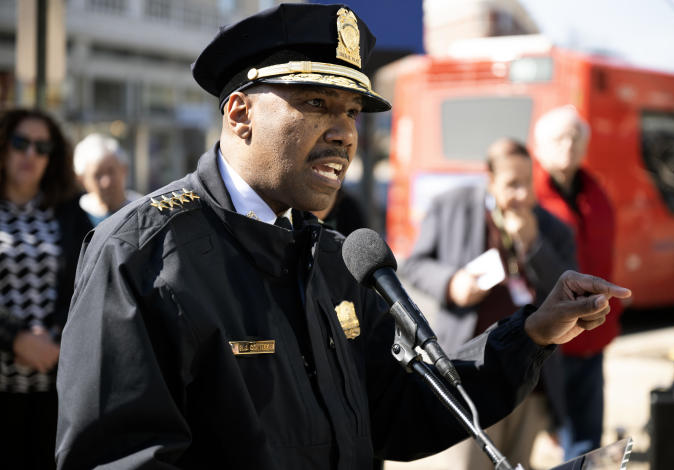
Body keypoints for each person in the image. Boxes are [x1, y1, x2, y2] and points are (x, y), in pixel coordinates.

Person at [55, 4, 630, 469]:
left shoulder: (338, 258)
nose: (344, 132)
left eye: (353, 111)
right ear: (239, 114)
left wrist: (530, 334)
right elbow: (121, 459)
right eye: (316, 104)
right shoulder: (140, 256)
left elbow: (397, 412)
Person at [400, 138, 576, 469]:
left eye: (528, 183)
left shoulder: (552, 229)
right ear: (489, 178)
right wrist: (452, 283)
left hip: (531, 380)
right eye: (512, 184)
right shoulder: (450, 206)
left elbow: (567, 290)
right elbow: (414, 265)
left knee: (518, 463)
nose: (522, 194)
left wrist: (534, 245)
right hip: (469, 372)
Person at [0, 108, 92, 469]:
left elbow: (86, 281)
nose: (30, 155)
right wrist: (15, 337)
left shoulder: (69, 213)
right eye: (21, 143)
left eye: (42, 147)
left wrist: (54, 334)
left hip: (52, 387)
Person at [532, 105, 623, 460]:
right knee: (545, 428)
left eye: (575, 138)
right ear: (539, 145)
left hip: (593, 332)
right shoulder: (531, 194)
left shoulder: (594, 190)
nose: (568, 146)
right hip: (549, 335)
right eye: (559, 139)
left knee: (587, 434)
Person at [73, 133, 140, 226]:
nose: (106, 182)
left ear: (124, 170)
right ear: (81, 179)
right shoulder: (72, 217)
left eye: (111, 171)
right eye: (97, 175)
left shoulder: (143, 210)